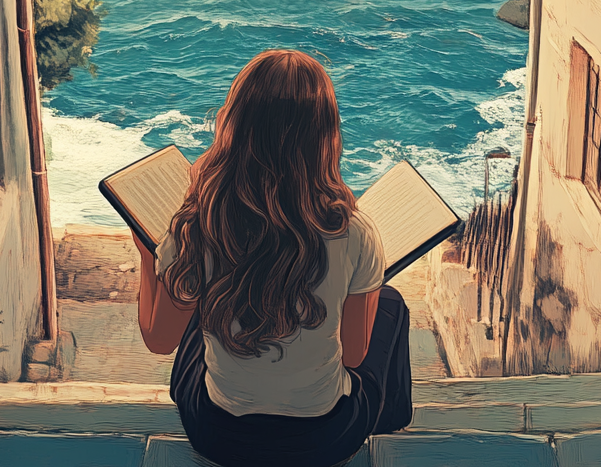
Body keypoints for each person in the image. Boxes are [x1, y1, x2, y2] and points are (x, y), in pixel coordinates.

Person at [132, 49, 413, 467]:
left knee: (194, 301)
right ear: (325, 134)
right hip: (324, 440)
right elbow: (353, 357)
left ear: (235, 124)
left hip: (217, 434)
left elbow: (158, 340)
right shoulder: (354, 232)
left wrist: (147, 255)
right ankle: (392, 420)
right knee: (389, 303)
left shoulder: (194, 227)